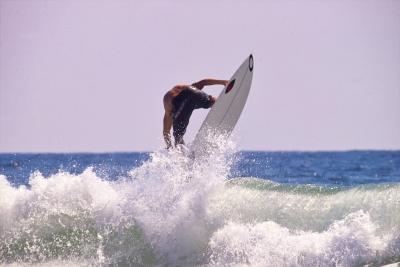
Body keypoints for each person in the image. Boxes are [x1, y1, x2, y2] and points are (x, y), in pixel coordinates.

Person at [163, 79, 229, 149]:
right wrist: (223, 82)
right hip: (192, 92)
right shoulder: (188, 87)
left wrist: (169, 147)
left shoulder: (168, 112)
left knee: (178, 136)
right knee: (210, 101)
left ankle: (181, 155)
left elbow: (166, 132)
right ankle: (215, 102)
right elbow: (204, 82)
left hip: (179, 100)